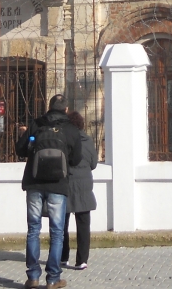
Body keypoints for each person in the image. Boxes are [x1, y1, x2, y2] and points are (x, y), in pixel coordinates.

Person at [17, 95, 81, 289]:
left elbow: (20, 149)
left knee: (33, 230)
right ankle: (53, 278)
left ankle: (33, 277)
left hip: (34, 183)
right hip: (58, 185)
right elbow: (76, 159)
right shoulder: (70, 129)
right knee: (57, 232)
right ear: (66, 109)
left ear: (49, 107)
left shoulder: (37, 124)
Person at [59, 111, 97, 271]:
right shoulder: (88, 141)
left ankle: (63, 257)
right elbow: (93, 163)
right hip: (84, 185)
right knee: (83, 224)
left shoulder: (63, 140)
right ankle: (82, 260)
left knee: (62, 224)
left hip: (66, 183)